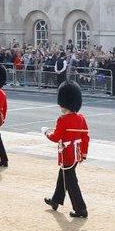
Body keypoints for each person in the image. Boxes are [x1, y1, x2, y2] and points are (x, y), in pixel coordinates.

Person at [43, 81, 89, 218]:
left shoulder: (62, 120)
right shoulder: (81, 118)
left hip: (67, 155)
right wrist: (84, 153)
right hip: (76, 153)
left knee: (71, 182)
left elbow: (56, 137)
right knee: (62, 175)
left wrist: (46, 132)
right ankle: (56, 200)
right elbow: (86, 137)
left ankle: (81, 209)